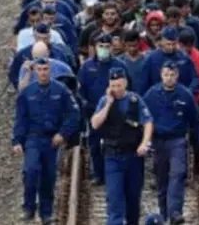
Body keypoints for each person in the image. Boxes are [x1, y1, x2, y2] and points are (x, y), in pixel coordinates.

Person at [11, 57, 80, 222]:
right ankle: (28, 208)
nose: (43, 73)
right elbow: (20, 118)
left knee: (48, 176)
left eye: (45, 70)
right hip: (32, 138)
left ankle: (46, 212)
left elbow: (73, 113)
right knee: (30, 170)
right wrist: (16, 141)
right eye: (40, 70)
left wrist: (63, 133)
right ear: (35, 71)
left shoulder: (61, 90)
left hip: (51, 140)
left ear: (50, 70)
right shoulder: (27, 93)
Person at [143, 61, 199, 224]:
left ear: (177, 75)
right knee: (162, 179)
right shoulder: (151, 94)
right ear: (161, 75)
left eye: (172, 75)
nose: (169, 78)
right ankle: (164, 214)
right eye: (166, 75)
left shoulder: (185, 95)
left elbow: (196, 121)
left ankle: (175, 211)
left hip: (177, 140)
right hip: (158, 142)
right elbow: (142, 118)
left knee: (178, 174)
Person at [91, 67, 153, 225]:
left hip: (133, 157)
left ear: (125, 83)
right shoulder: (104, 101)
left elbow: (148, 122)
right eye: (113, 86)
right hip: (113, 157)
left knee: (133, 200)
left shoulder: (135, 100)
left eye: (119, 85)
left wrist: (144, 143)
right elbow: (95, 124)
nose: (116, 89)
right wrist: (108, 104)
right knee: (115, 199)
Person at [78, 33, 131, 185]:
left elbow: (130, 88)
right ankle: (98, 174)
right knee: (95, 144)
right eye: (101, 46)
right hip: (94, 112)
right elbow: (80, 91)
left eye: (107, 47)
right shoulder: (87, 67)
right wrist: (86, 106)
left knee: (117, 143)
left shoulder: (120, 66)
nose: (104, 49)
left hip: (116, 113)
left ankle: (117, 174)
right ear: (94, 47)